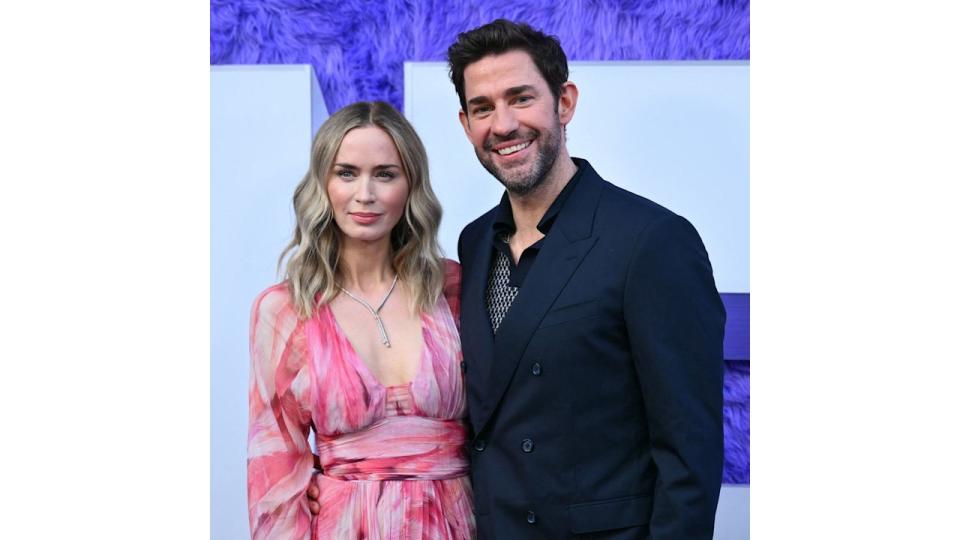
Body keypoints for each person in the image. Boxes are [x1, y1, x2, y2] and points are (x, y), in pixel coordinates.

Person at [446, 20, 726, 539]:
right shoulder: (473, 242)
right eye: (483, 107)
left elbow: (690, 451)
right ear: (466, 124)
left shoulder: (652, 240)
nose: (503, 124)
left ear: (565, 102)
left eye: (521, 98)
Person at [247, 101, 474, 539]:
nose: (364, 194)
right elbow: (273, 468)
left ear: (411, 186)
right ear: (322, 184)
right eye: (346, 172)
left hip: (458, 525)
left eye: (385, 174)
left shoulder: (455, 288)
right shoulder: (284, 309)